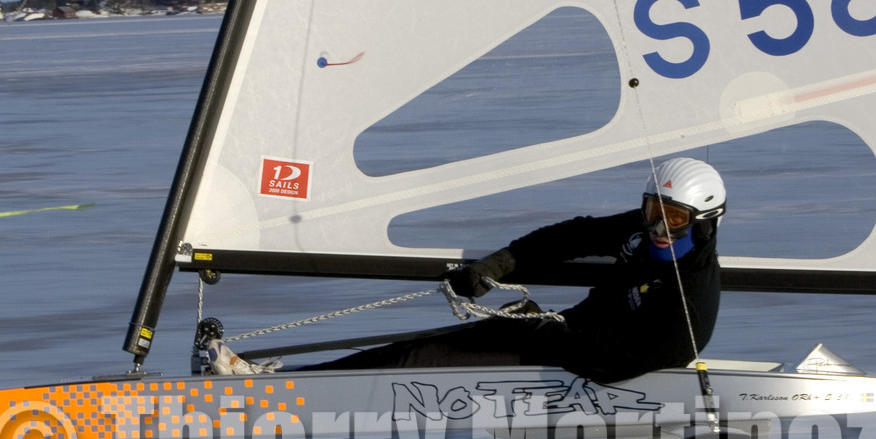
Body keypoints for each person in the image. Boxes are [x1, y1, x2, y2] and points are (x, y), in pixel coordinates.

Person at [206, 158, 725, 384]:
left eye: (675, 219)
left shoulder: (690, 299)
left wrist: (548, 329)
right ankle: (287, 379)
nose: (659, 226)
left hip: (590, 362)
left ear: (703, 225)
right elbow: (571, 236)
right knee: (421, 343)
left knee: (423, 356)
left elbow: (621, 361)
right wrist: (497, 266)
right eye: (653, 209)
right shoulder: (644, 231)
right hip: (568, 338)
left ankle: (283, 390)